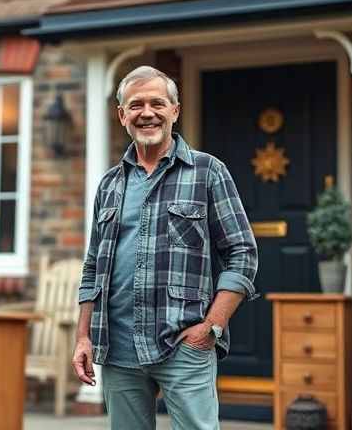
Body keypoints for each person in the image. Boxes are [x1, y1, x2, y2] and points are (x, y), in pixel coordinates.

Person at [72, 65, 259, 430]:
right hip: (118, 348)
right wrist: (83, 335)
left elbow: (243, 253)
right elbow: (93, 265)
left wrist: (212, 326)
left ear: (175, 110)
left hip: (183, 344)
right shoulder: (110, 184)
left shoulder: (208, 172)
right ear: (122, 115)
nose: (147, 113)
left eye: (157, 103)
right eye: (136, 104)